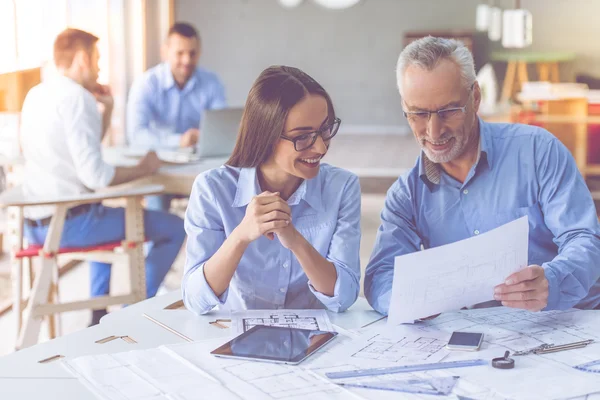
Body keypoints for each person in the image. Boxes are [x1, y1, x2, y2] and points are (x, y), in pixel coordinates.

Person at [365, 36, 600, 316]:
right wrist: (412, 301)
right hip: (477, 337)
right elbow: (380, 277)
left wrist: (554, 280)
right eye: (418, 114)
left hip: (568, 321)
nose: (434, 130)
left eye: (448, 111)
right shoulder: (406, 195)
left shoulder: (538, 151)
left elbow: (585, 239)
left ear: (475, 97)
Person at [21, 28, 186, 325]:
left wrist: (106, 111)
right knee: (175, 227)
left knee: (103, 214)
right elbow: (96, 175)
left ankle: (98, 315)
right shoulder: (76, 98)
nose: (99, 67)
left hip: (35, 224)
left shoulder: (38, 93)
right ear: (82, 58)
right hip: (68, 224)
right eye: (97, 59)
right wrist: (144, 168)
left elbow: (83, 153)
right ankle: (130, 316)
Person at [182, 66, 360, 315]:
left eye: (325, 129)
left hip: (317, 342)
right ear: (266, 135)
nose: (320, 147)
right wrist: (241, 235)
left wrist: (295, 240)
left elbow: (345, 297)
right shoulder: (212, 189)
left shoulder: (342, 188)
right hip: (233, 337)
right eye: (304, 136)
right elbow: (195, 299)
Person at [126, 22, 227, 212]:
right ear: (165, 52)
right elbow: (136, 136)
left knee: (216, 204)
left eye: (192, 53)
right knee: (157, 213)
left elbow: (221, 130)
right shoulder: (146, 84)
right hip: (159, 166)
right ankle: (160, 240)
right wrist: (179, 140)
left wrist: (204, 137)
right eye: (180, 53)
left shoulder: (212, 82)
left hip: (198, 166)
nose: (187, 60)